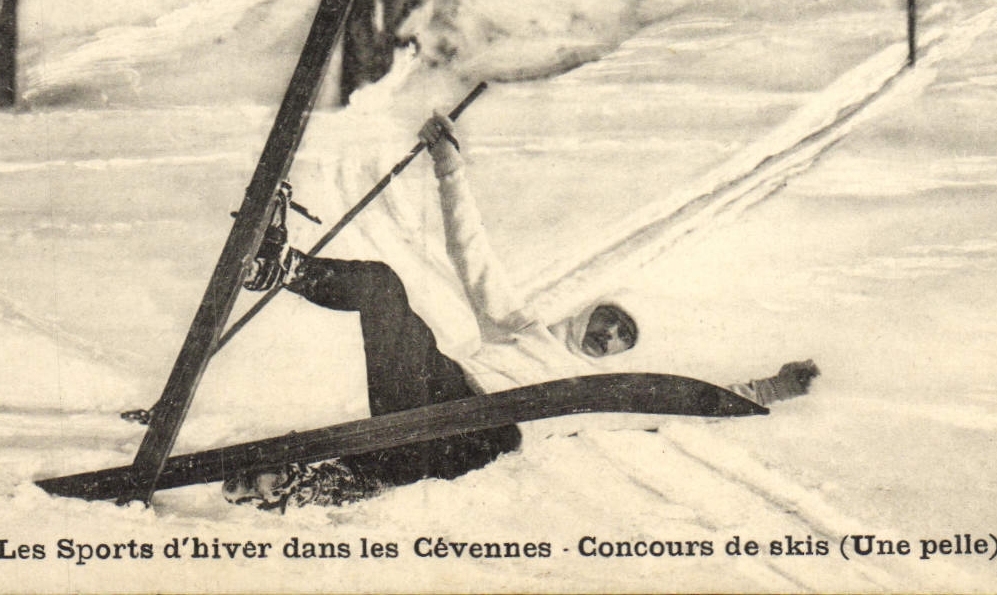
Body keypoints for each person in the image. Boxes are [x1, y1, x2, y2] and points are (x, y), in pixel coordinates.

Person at [222, 112, 817, 511]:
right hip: (440, 390)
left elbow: (689, 399)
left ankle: (303, 484)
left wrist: (774, 387)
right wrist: (449, 165)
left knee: (415, 458)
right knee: (382, 284)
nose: (608, 335)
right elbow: (470, 250)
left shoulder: (610, 392)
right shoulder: (521, 326)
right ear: (589, 312)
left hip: (487, 434)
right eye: (608, 319)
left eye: (622, 338)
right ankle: (282, 269)